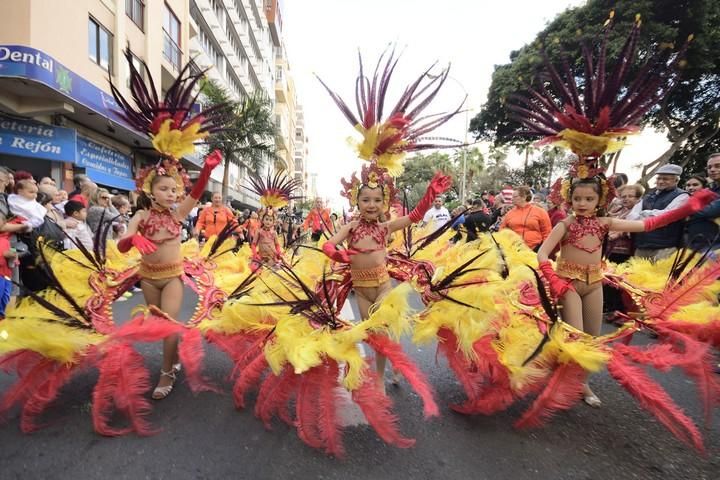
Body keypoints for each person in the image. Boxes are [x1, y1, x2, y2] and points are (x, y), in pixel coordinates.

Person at [537, 177, 716, 407]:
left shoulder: (604, 223)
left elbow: (648, 225)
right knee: (576, 338)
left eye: (589, 199)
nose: (582, 203)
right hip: (567, 285)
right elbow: (542, 254)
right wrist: (554, 281)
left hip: (594, 285)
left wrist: (687, 209)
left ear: (599, 200)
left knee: (591, 340)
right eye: (577, 198)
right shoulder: (564, 225)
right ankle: (564, 382)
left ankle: (581, 382)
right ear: (570, 199)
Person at [324, 164, 452, 390]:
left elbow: (413, 217)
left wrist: (429, 195)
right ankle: (394, 361)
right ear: (357, 202)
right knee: (374, 334)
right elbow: (328, 244)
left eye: (376, 200)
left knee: (381, 331)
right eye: (365, 200)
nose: (371, 204)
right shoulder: (350, 228)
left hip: (383, 288)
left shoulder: (385, 228)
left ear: (383, 203)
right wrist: (337, 253)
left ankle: (380, 378)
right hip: (361, 291)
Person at [120, 152, 221, 399]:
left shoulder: (178, 215)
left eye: (174, 190)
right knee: (159, 325)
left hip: (173, 276)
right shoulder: (140, 216)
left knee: (168, 324)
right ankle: (173, 357)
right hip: (147, 278)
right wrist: (134, 238)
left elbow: (196, 194)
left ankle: (167, 372)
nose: (171, 194)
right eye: (164, 189)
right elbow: (122, 244)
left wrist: (206, 171)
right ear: (150, 191)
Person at [628, 164, 689, 261]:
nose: (660, 181)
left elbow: (667, 215)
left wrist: (644, 213)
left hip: (665, 248)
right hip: (641, 246)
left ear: (676, 180)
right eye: (659, 178)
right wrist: (649, 215)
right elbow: (631, 217)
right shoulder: (648, 196)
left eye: (665, 179)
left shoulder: (683, 196)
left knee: (660, 276)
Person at [685, 154, 720, 252]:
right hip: (698, 244)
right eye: (709, 167)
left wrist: (686, 207)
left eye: (718, 166)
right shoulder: (712, 190)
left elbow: (707, 211)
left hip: (715, 246)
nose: (712, 170)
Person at [499, 185, 552, 250]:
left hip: (536, 249)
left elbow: (547, 232)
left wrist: (544, 249)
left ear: (524, 197)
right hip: (514, 250)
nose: (512, 199)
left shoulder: (540, 212)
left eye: (515, 196)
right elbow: (502, 230)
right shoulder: (509, 214)